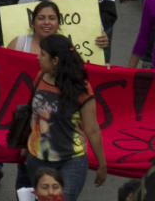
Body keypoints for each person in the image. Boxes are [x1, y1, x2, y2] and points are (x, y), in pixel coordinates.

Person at [22, 34, 106, 201]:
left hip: (71, 161)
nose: (38, 58)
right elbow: (33, 115)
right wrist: (26, 145)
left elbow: (92, 129)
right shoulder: (39, 78)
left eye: (43, 54)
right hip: (37, 160)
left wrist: (102, 164)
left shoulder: (81, 89)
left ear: (55, 61)